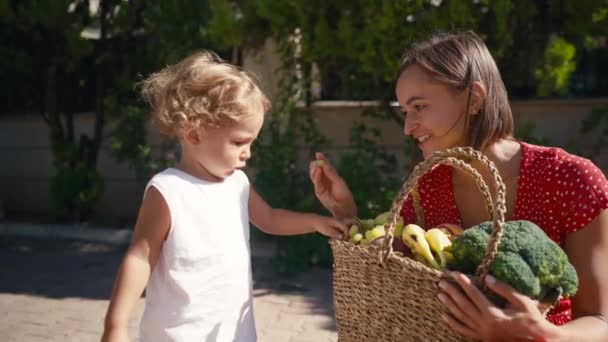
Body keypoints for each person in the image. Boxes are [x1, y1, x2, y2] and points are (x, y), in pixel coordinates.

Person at [309, 31, 608, 341]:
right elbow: (405, 274)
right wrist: (348, 214)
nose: (408, 127)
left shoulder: (570, 179)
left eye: (419, 107)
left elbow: (601, 320)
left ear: (474, 99)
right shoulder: (426, 187)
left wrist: (542, 336)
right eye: (404, 112)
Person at [101, 51, 348, 342]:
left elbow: (268, 218)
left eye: (251, 142)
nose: (248, 152)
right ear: (194, 134)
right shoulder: (168, 191)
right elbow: (140, 258)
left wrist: (314, 222)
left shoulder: (237, 183)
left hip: (232, 334)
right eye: (239, 142)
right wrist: (115, 326)